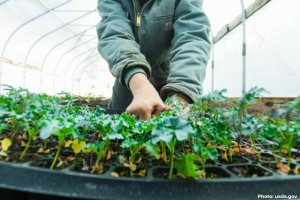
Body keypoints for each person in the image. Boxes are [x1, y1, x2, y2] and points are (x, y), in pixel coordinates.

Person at [97, 0, 211, 120]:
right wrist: (140, 86)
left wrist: (181, 94)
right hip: (129, 83)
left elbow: (192, 37)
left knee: (179, 132)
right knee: (117, 132)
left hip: (172, 81)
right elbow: (114, 34)